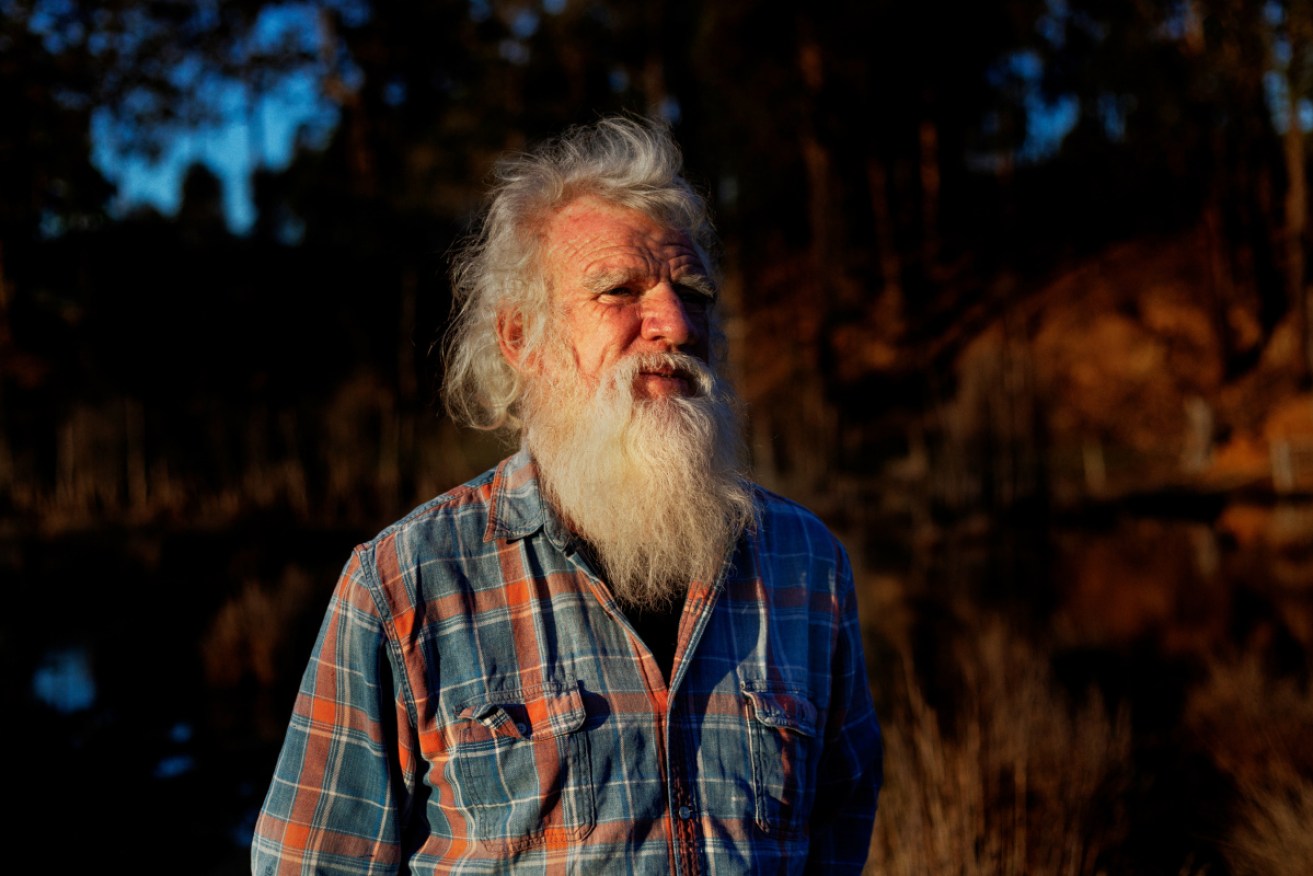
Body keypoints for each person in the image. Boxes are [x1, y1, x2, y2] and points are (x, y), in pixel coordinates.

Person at [252, 116, 882, 875]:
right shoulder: (403, 584)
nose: (676, 324)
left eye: (693, 292)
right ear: (522, 338)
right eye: (620, 290)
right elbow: (312, 864)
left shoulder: (805, 565)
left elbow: (839, 826)